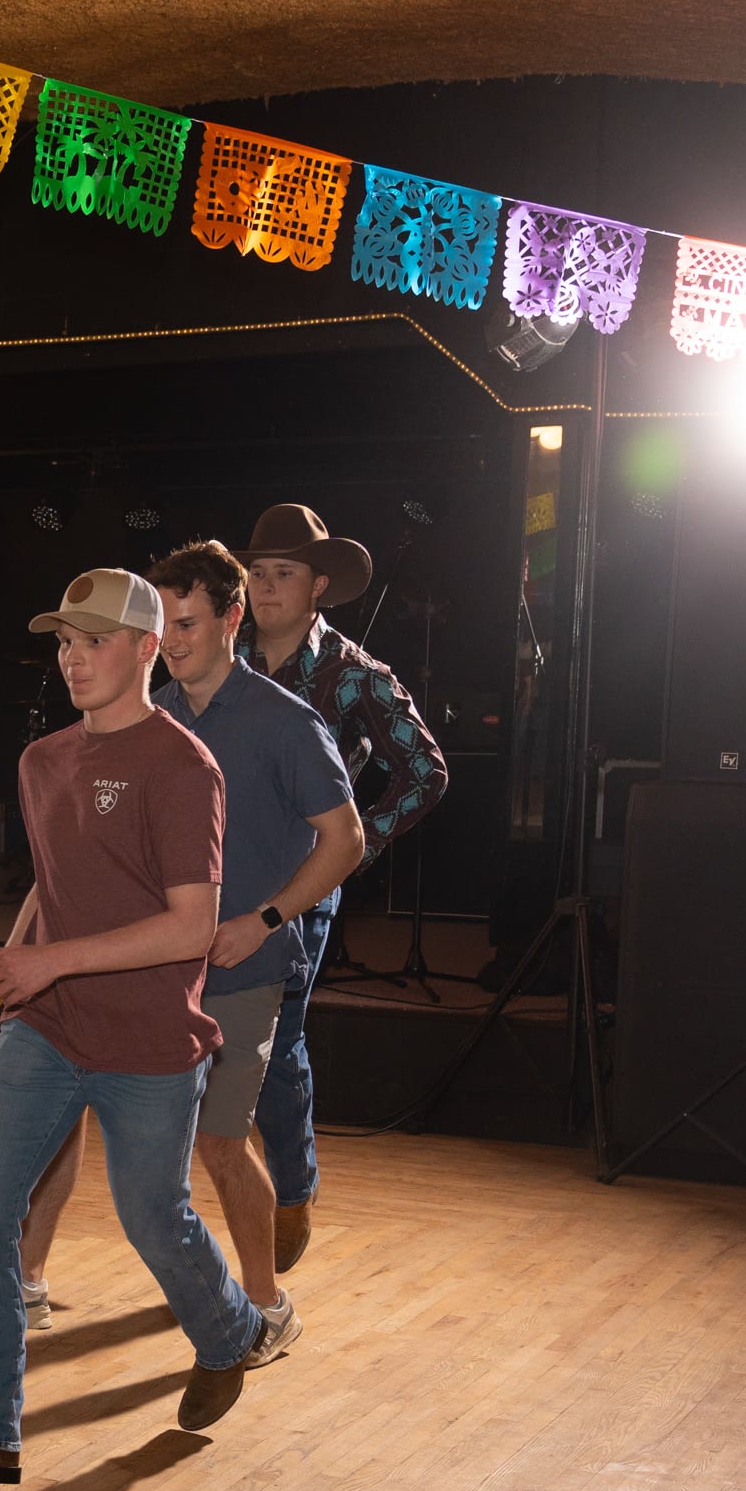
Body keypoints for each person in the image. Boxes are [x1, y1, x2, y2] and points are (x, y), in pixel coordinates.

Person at [0, 543, 365, 1350]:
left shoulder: (282, 721)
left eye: (187, 624)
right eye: (162, 625)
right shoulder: (134, 716)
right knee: (60, 1121)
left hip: (237, 966)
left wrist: (266, 919)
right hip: (129, 971)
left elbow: (345, 840)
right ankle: (23, 1278)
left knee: (218, 1144)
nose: (171, 640)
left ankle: (263, 1308)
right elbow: (61, 879)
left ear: (231, 619)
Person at [0, 568, 275, 1490]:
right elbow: (51, 889)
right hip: (47, 1029)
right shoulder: (42, 761)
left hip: (149, 1042)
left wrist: (52, 962)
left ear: (147, 648)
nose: (72, 658)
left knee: (154, 1217)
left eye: (94, 640)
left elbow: (191, 926)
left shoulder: (184, 767)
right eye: (65, 641)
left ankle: (231, 1330)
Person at [233, 504, 448, 1274]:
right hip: (217, 884)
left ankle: (291, 1193)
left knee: (275, 1040)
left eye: (283, 574)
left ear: (318, 585)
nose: (265, 587)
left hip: (300, 890)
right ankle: (239, 1198)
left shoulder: (355, 674)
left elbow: (425, 773)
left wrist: (351, 849)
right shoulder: (220, 661)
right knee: (211, 1044)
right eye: (257, 573)